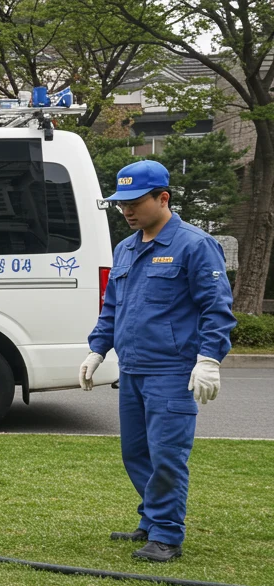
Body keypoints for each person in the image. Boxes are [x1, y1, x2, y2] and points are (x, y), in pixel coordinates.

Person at [80, 160, 236, 562]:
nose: (127, 211)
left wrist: (209, 359)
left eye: (135, 202)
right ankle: (151, 520)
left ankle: (167, 534)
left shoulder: (194, 245)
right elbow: (112, 306)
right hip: (132, 370)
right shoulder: (127, 247)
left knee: (167, 454)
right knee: (136, 453)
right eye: (121, 204)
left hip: (171, 371)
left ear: (163, 198)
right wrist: (98, 348)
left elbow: (216, 308)